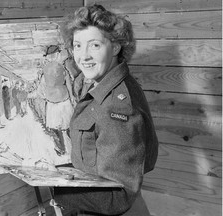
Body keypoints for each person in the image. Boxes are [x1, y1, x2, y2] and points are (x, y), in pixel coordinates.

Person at [53, 4, 159, 215]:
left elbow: (118, 197)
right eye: (77, 46)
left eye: (94, 45)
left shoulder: (117, 106)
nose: (84, 56)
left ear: (116, 47)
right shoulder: (100, 83)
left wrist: (60, 191)